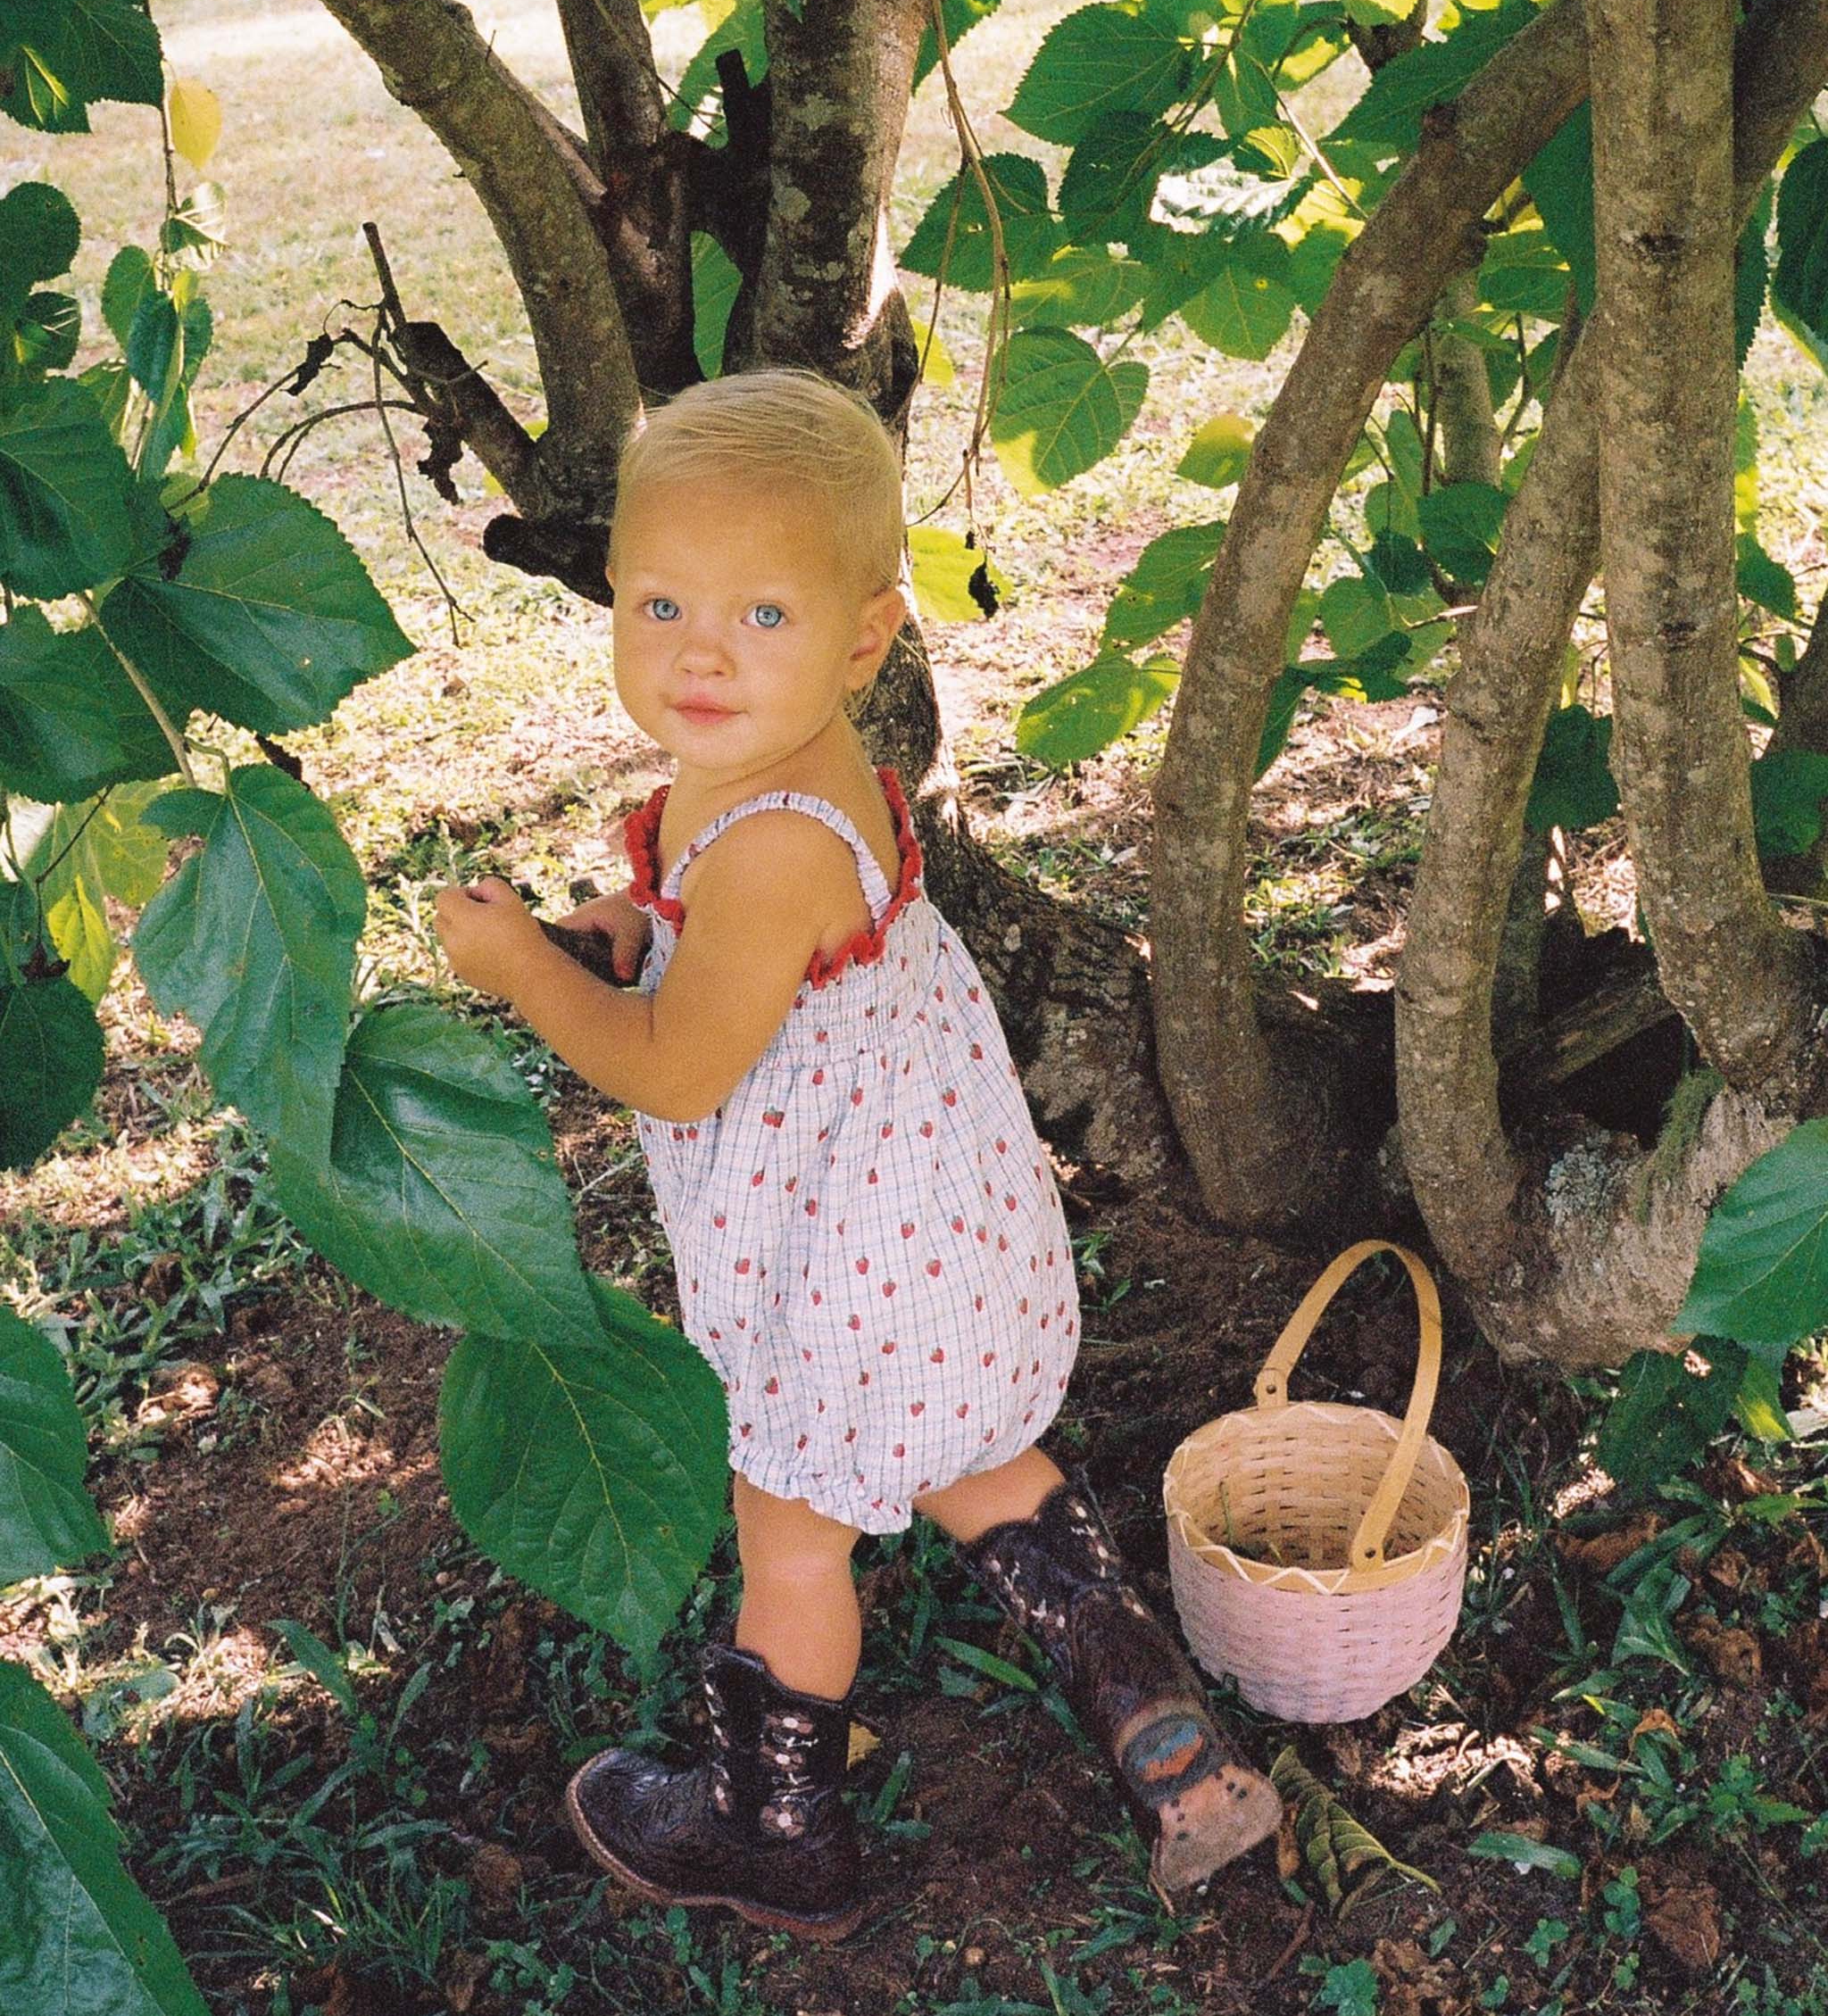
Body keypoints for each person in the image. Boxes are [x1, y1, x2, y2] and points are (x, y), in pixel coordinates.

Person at [434, 369, 1279, 1942]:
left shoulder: (768, 838)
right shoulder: (780, 764)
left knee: (793, 1535)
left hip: (842, 1285)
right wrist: (624, 929)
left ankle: (778, 1827)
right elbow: (705, 940)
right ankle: (1161, 1734)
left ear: (867, 636)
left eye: (762, 615)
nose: (699, 651)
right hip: (939, 1249)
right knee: (974, 1456)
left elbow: (680, 1070)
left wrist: (530, 978)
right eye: (662, 601)